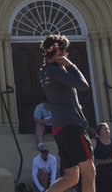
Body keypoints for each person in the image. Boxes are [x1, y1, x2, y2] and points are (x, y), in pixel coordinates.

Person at [38, 34, 94, 192]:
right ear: (57, 52)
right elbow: (83, 85)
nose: (66, 55)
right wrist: (71, 65)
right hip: (71, 125)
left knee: (71, 177)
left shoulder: (44, 71)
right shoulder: (55, 71)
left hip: (59, 127)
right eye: (64, 51)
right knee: (89, 170)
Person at [92, 124, 112, 192]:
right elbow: (88, 155)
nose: (107, 130)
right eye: (104, 129)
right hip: (102, 175)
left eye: (108, 129)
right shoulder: (94, 141)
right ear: (99, 132)